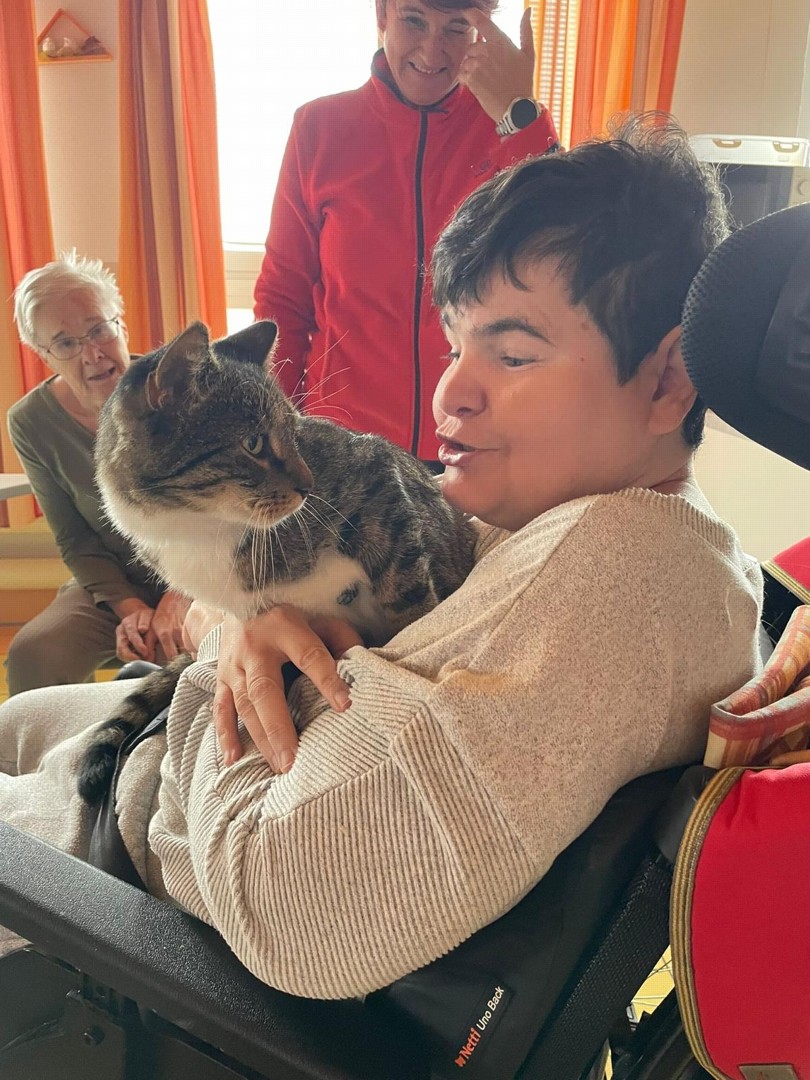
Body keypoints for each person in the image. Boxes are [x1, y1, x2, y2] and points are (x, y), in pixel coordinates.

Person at [0, 117, 762, 999]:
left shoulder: (616, 579)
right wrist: (251, 631)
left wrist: (218, 659)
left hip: (134, 865)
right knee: (22, 718)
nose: (449, 393)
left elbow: (297, 918)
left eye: (514, 354)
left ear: (668, 379)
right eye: (456, 346)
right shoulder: (591, 520)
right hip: (172, 769)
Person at [254, 0, 559, 464]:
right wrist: (281, 431)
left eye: (455, 29)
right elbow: (283, 298)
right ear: (383, 14)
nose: (432, 52)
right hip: (339, 447)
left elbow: (566, 263)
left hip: (474, 442)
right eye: (414, 20)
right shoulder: (318, 128)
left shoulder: (508, 128)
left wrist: (520, 115)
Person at [6, 253, 189, 694]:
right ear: (45, 356)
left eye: (98, 329)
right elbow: (76, 539)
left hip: (204, 572)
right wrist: (130, 609)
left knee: (197, 647)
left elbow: (225, 515)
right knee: (34, 654)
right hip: (112, 585)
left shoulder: (180, 387)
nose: (92, 354)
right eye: (66, 343)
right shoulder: (31, 422)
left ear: (121, 324)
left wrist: (181, 594)